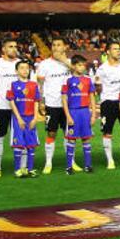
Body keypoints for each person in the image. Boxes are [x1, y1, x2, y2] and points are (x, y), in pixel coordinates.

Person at [35, 37, 71, 174]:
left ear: (64, 47)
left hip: (69, 104)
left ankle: (70, 162)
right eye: (54, 45)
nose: (56, 47)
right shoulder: (44, 64)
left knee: (69, 134)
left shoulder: (69, 63)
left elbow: (81, 74)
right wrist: (40, 102)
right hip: (52, 104)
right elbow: (40, 85)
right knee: (51, 132)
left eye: (59, 45)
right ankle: (48, 163)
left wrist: (65, 62)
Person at [0, 39, 19, 179]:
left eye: (15, 47)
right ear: (4, 49)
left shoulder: (21, 64)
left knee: (19, 137)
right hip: (1, 107)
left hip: (19, 108)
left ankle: (20, 167)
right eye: (10, 47)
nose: (14, 49)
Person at [62, 55, 97, 174]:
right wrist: (68, 115)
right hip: (73, 112)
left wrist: (93, 115)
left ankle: (88, 165)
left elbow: (92, 97)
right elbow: (64, 99)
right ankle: (68, 167)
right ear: (73, 66)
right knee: (71, 140)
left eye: (83, 65)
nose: (82, 67)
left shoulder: (88, 80)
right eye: (79, 65)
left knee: (86, 139)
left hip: (85, 112)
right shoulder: (67, 80)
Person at [95, 42, 120, 169]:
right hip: (108, 102)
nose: (118, 51)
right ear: (107, 51)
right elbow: (98, 87)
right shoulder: (102, 69)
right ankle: (110, 160)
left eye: (119, 49)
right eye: (114, 49)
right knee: (107, 131)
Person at [8, 59, 41, 178]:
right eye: (22, 68)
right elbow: (11, 103)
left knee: (31, 144)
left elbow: (36, 101)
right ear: (16, 71)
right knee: (18, 144)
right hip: (18, 119)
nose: (25, 70)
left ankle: (30, 169)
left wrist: (35, 118)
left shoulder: (34, 85)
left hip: (31, 118)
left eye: (27, 68)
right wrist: (19, 118)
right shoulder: (13, 84)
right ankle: (17, 169)